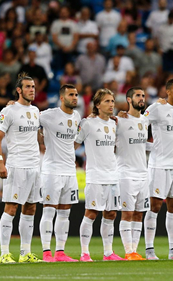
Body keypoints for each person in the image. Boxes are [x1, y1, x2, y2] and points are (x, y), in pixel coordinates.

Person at [0, 73, 42, 263]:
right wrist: (0, 161)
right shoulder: (9, 111)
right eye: (28, 87)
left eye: (33, 86)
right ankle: (4, 253)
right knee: (11, 208)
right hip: (16, 165)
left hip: (34, 165)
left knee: (30, 208)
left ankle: (25, 253)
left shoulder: (37, 111)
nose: (32, 90)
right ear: (19, 90)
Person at [143, 78, 173, 260]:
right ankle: (149, 250)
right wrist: (150, 147)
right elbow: (138, 126)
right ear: (168, 91)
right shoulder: (156, 108)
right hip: (159, 166)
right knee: (154, 206)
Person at [75, 89, 124, 262]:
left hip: (112, 174)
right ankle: (84, 253)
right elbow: (74, 144)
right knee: (91, 213)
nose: (111, 104)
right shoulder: (87, 123)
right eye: (107, 101)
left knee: (111, 214)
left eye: (112, 101)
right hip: (95, 175)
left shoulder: (114, 123)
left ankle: (108, 253)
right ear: (97, 105)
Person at [38, 84, 81, 262]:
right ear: (62, 98)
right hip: (52, 170)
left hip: (70, 171)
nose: (75, 97)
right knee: (49, 211)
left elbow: (75, 141)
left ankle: (60, 252)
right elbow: (30, 119)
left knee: (65, 212)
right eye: (71, 94)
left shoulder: (77, 116)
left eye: (76, 95)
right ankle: (47, 252)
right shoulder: (49, 115)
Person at [116, 87, 150, 261]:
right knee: (127, 213)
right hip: (125, 173)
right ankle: (128, 251)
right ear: (129, 100)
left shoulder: (145, 121)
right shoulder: (119, 120)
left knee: (139, 213)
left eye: (143, 96)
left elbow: (143, 145)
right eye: (138, 96)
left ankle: (134, 251)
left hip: (143, 173)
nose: (142, 98)